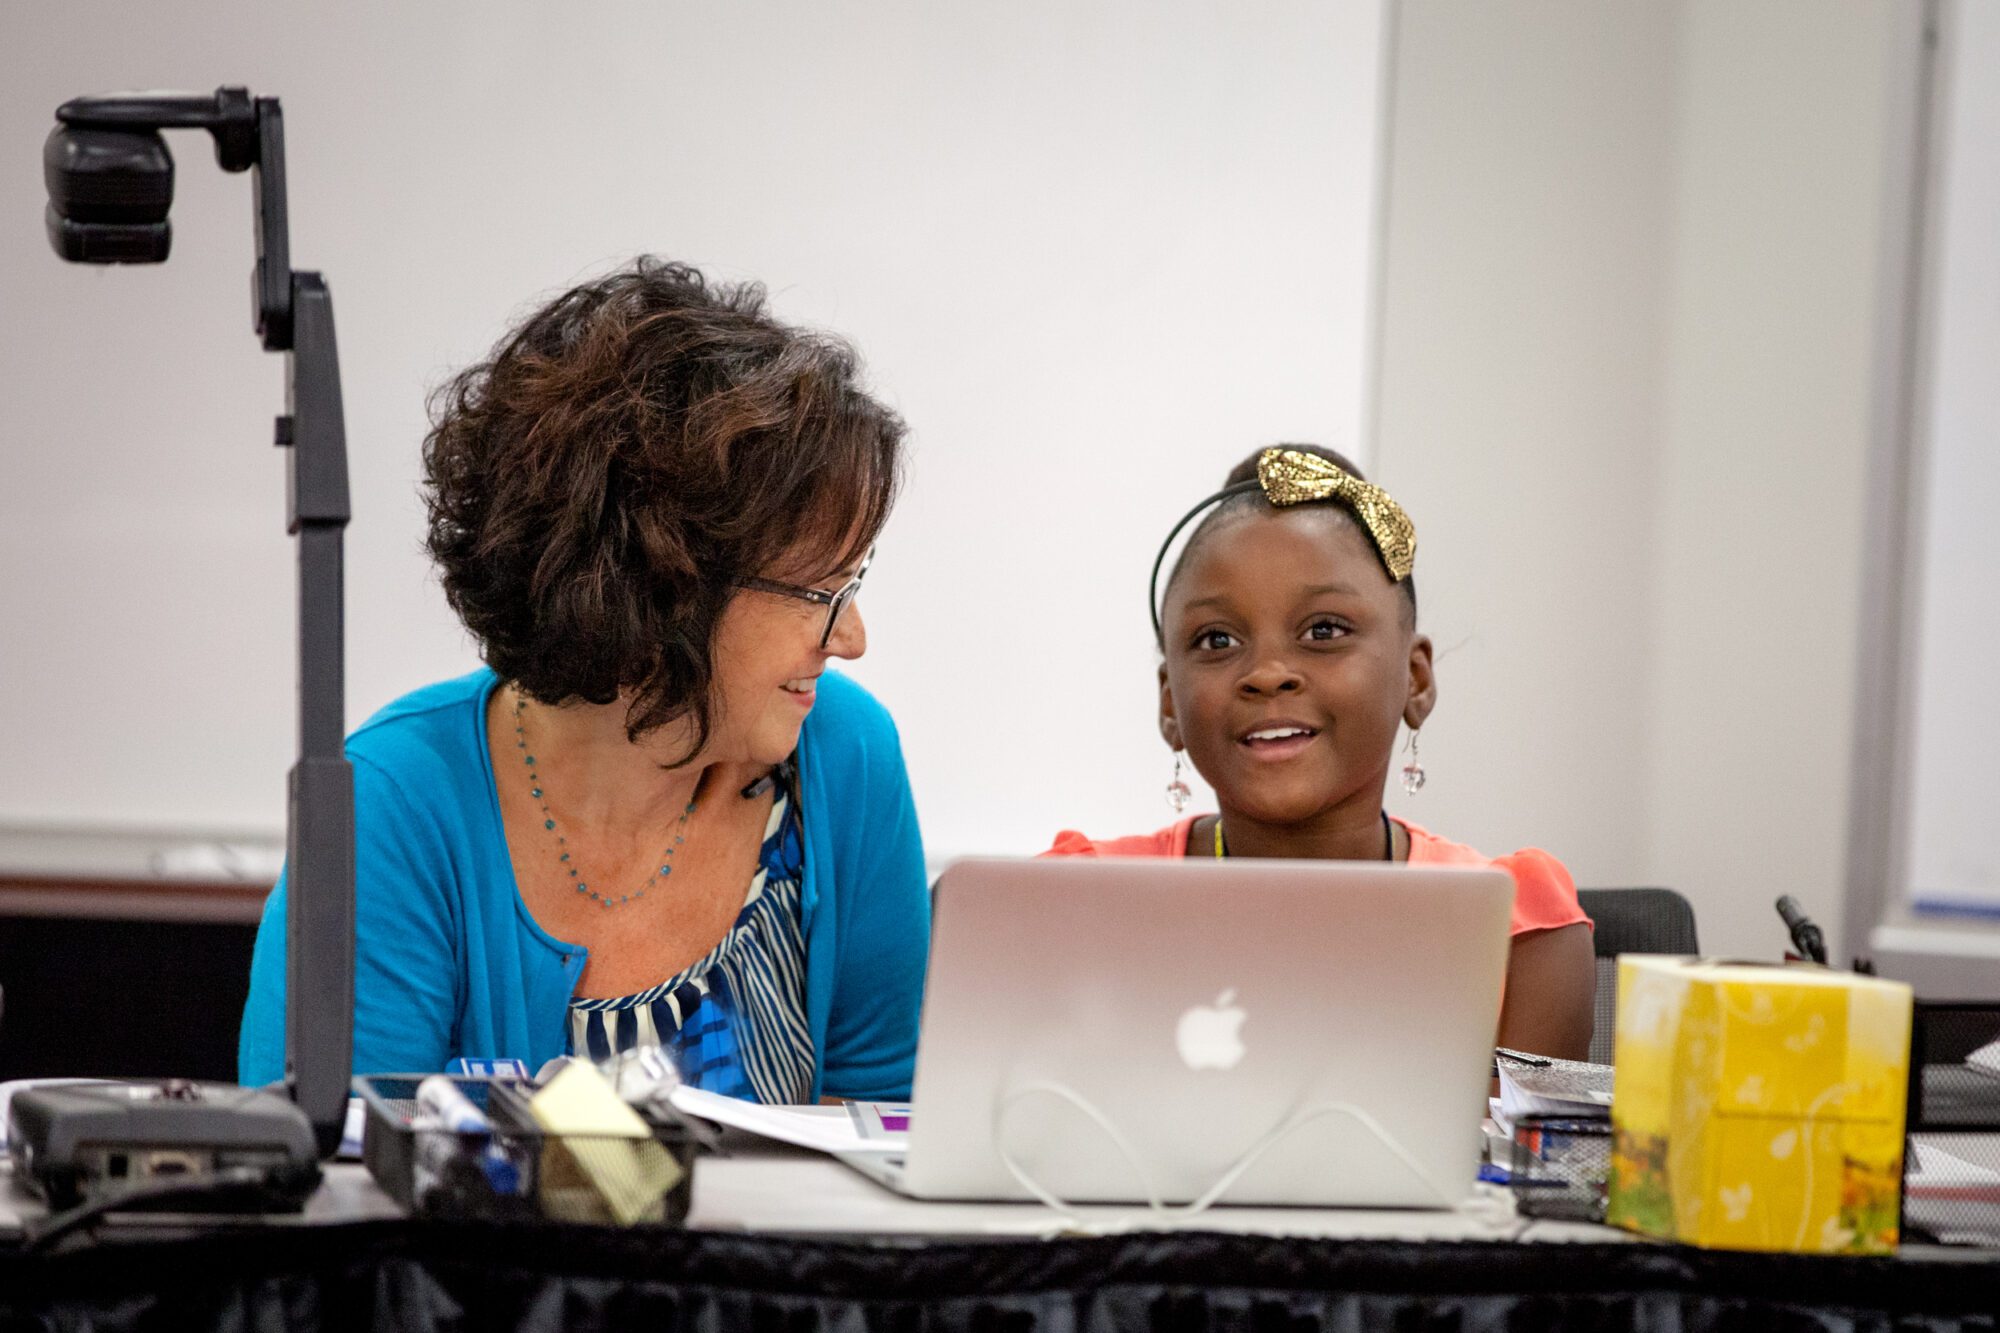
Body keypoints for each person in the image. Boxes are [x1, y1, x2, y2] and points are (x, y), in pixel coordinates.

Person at [240, 258, 928, 1102]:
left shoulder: (846, 756)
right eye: (823, 593)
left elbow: (891, 1147)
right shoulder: (394, 803)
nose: (851, 637)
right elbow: (336, 1188)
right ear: (666, 583)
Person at [1047, 444, 1595, 1060]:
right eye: (1217, 639)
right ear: (1170, 703)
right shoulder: (1072, 902)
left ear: (1415, 680)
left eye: (1324, 631)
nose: (1268, 673)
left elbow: (1512, 1158)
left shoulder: (1520, 936)